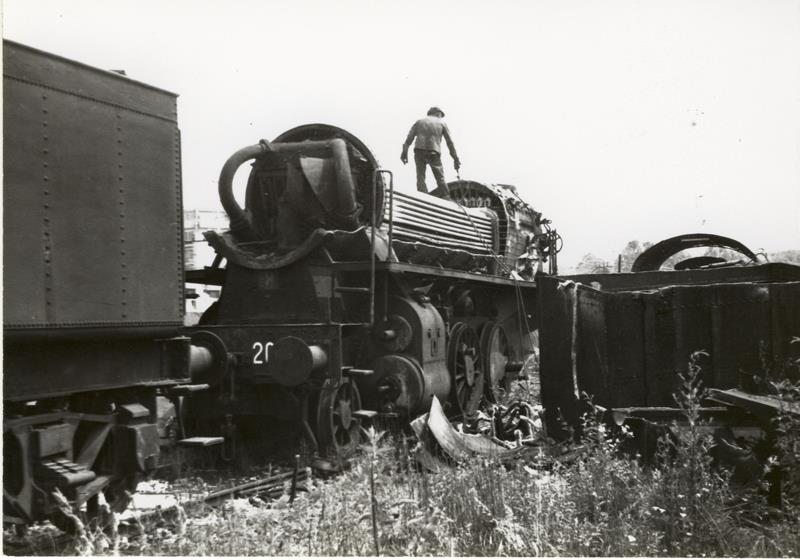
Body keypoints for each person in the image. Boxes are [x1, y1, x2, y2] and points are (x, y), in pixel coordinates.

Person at [401, 106, 461, 196]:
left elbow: (409, 138)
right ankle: (446, 197)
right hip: (434, 151)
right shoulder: (442, 123)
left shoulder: (419, 122)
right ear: (438, 114)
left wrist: (404, 153)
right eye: (441, 115)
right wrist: (455, 159)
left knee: (420, 177)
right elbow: (450, 143)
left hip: (419, 150)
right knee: (440, 178)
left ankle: (423, 197)